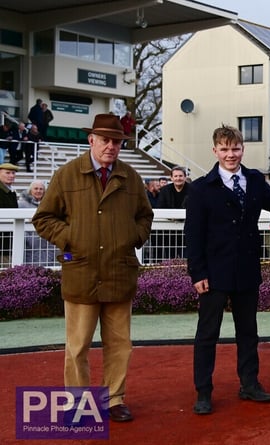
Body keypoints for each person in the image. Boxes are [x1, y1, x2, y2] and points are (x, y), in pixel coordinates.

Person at [32, 113, 154, 423]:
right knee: (77, 346)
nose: (111, 146)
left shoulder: (131, 177)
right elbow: (43, 218)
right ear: (91, 140)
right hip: (81, 272)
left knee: (120, 345)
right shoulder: (67, 175)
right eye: (105, 140)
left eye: (117, 141)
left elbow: (145, 216)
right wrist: (72, 238)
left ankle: (114, 399)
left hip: (119, 272)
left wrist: (133, 237)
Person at [185, 124, 270, 415]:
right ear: (215, 151)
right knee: (207, 335)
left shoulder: (254, 180)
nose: (231, 154)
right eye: (225, 149)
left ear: (243, 149)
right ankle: (203, 392)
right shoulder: (201, 189)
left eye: (236, 148)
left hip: (246, 270)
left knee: (248, 332)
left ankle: (250, 384)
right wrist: (197, 273)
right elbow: (193, 236)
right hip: (213, 274)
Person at [18, 180, 56, 265]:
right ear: (30, 190)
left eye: (41, 189)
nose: (38, 191)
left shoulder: (50, 204)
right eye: (36, 188)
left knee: (47, 268)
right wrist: (28, 238)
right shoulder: (22, 204)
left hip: (46, 241)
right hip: (29, 242)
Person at [157, 166, 190, 259]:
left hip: (187, 230)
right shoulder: (165, 190)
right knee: (170, 257)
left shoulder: (193, 189)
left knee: (186, 258)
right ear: (171, 178)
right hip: (169, 231)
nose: (178, 178)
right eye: (175, 176)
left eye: (180, 176)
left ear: (185, 177)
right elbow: (160, 207)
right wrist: (171, 217)